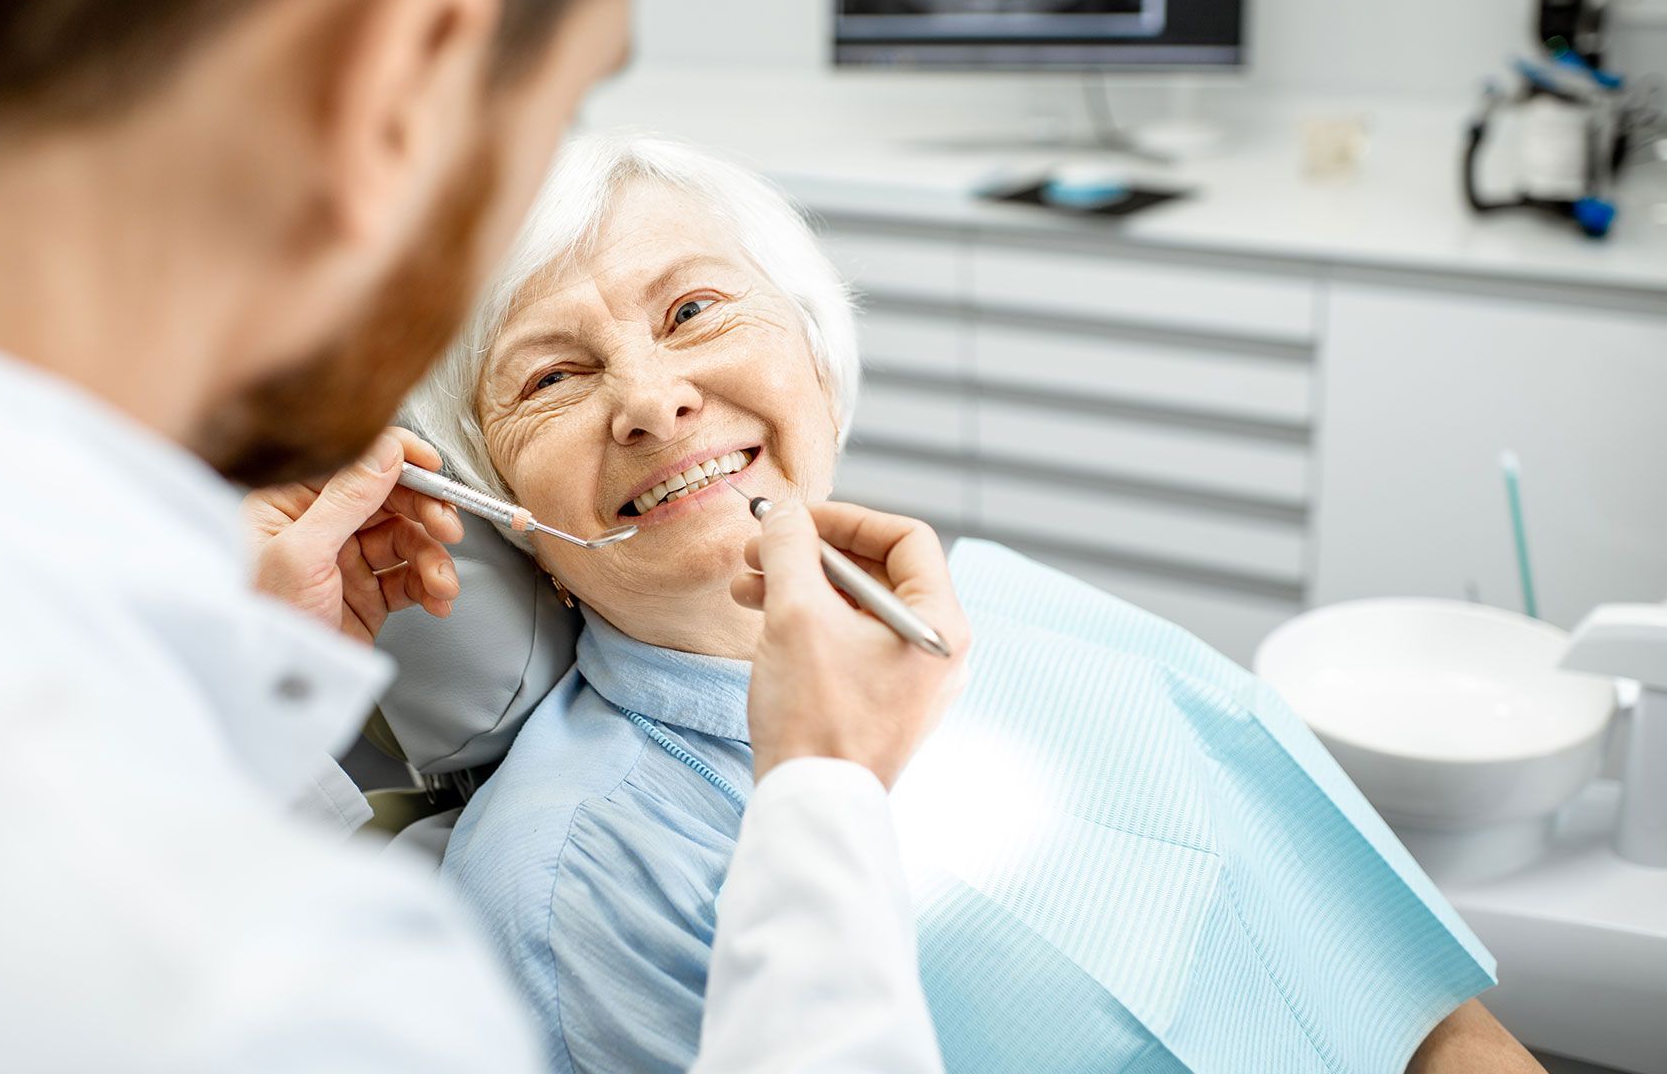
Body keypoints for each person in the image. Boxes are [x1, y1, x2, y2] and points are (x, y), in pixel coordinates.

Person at [0, 0, 964, 1071]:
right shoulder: (284, 990)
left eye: (695, 308)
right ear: (401, 71)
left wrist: (226, 698)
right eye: (568, 102)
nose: (650, 400)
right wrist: (823, 799)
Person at [410, 132, 1548, 1074]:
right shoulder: (567, 880)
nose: (653, 400)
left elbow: (1426, 1014)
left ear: (812, 349)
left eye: (695, 311)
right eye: (551, 378)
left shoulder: (1023, 607)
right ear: (508, 507)